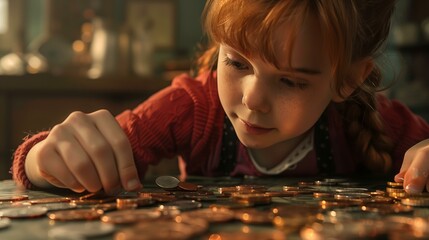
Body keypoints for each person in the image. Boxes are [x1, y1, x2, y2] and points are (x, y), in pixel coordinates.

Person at [11, 0, 429, 196]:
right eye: (238, 64)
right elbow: (64, 162)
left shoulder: (382, 124)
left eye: (292, 82)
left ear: (349, 80)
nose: (254, 100)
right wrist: (45, 158)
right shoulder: (192, 108)